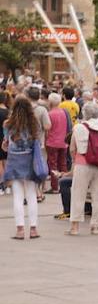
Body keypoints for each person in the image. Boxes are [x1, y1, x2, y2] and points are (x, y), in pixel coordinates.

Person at [3, 95, 46, 240]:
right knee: (31, 195)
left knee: (18, 197)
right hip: (30, 162)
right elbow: (38, 143)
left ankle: (20, 230)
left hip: (14, 162)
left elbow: (6, 144)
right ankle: (33, 229)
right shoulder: (34, 124)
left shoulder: (8, 124)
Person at [68, 101, 98, 236]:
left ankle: (75, 226)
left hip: (82, 163)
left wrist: (74, 161)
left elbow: (72, 148)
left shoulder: (79, 127)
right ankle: (96, 226)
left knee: (78, 194)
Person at [44, 92, 71, 194]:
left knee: (53, 164)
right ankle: (64, 184)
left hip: (52, 142)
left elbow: (47, 129)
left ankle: (55, 187)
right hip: (63, 142)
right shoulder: (64, 112)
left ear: (50, 102)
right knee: (63, 164)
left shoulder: (50, 114)